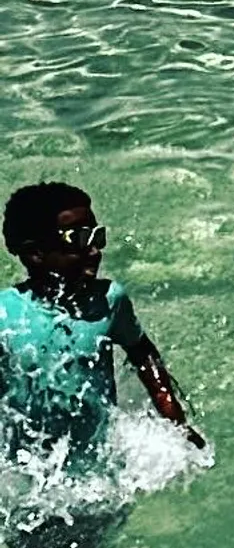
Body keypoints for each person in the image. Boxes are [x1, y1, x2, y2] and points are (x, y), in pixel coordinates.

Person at [1, 183, 202, 465]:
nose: (95, 251)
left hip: (98, 473)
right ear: (35, 253)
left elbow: (143, 355)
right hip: (25, 476)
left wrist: (173, 417)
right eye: (79, 238)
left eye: (98, 236)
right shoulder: (6, 315)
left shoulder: (109, 301)